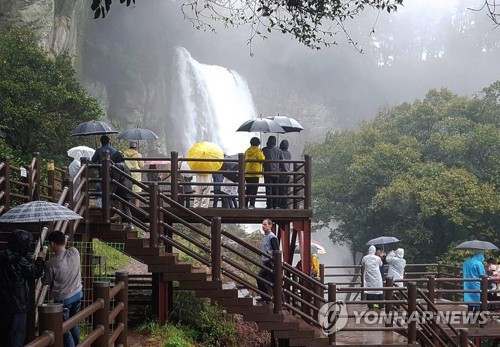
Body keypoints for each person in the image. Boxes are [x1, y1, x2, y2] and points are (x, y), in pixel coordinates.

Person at [0, 229, 46, 347]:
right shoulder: (19, 261)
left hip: (3, 303)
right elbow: (35, 272)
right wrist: (40, 258)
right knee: (16, 337)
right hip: (17, 304)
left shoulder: (3, 256)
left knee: (5, 336)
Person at [42, 231, 83, 347]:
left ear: (52, 244)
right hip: (77, 294)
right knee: (73, 323)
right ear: (64, 241)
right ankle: (79, 344)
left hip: (63, 299)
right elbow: (66, 242)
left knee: (65, 329)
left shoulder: (51, 263)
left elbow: (45, 281)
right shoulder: (74, 252)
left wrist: (42, 260)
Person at [256, 218, 280, 302]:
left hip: (270, 263)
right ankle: (266, 298)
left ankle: (276, 300)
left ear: (270, 225)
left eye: (265, 224)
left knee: (270, 280)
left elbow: (276, 251)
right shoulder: (265, 236)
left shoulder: (272, 237)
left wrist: (273, 262)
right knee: (260, 278)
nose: (263, 226)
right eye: (262, 224)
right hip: (265, 262)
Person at [110, 151, 134, 230]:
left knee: (109, 199)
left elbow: (116, 180)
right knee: (126, 206)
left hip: (122, 188)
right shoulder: (126, 166)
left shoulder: (117, 165)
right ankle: (130, 224)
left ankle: (118, 211)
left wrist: (112, 191)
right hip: (128, 188)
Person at [91, 135, 117, 207]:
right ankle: (111, 207)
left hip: (101, 174)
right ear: (109, 141)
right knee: (111, 190)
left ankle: (101, 207)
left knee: (100, 190)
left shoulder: (98, 150)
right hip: (112, 175)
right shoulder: (114, 150)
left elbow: (93, 160)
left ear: (101, 142)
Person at [262, 136, 284, 209]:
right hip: (277, 172)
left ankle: (269, 205)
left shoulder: (264, 150)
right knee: (275, 189)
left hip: (268, 171)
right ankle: (275, 205)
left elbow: (262, 161)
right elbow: (282, 162)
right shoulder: (279, 151)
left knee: (268, 189)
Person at [244, 137, 265, 208]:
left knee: (248, 189)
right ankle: (252, 204)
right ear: (258, 143)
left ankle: (245, 204)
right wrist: (261, 152)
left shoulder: (247, 150)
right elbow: (262, 159)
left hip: (247, 173)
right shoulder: (257, 151)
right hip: (255, 173)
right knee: (254, 190)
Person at [361, 245, 384, 310]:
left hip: (368, 276)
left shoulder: (365, 257)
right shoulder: (377, 258)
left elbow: (362, 264)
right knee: (379, 290)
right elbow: (381, 264)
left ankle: (370, 306)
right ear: (374, 251)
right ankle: (381, 306)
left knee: (369, 290)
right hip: (377, 276)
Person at [124, 141, 144, 207]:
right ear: (136, 147)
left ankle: (129, 207)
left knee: (128, 191)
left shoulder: (124, 153)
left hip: (127, 173)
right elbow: (141, 165)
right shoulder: (138, 154)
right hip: (136, 175)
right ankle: (136, 207)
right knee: (137, 193)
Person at [278, 139, 292, 209]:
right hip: (287, 173)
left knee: (281, 189)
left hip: (282, 172)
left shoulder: (280, 152)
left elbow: (280, 162)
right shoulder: (288, 153)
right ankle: (284, 204)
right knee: (285, 189)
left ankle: (283, 204)